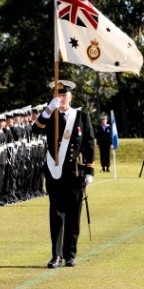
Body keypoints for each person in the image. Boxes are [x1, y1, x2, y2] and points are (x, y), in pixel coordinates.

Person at [31, 80, 95, 269]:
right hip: (55, 173)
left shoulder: (82, 117)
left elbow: (89, 144)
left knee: (74, 215)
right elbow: (35, 130)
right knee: (57, 215)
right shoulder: (49, 116)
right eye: (58, 96)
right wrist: (47, 111)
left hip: (75, 173)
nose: (62, 98)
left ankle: (70, 254)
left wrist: (89, 170)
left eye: (64, 95)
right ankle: (56, 255)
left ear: (71, 97)